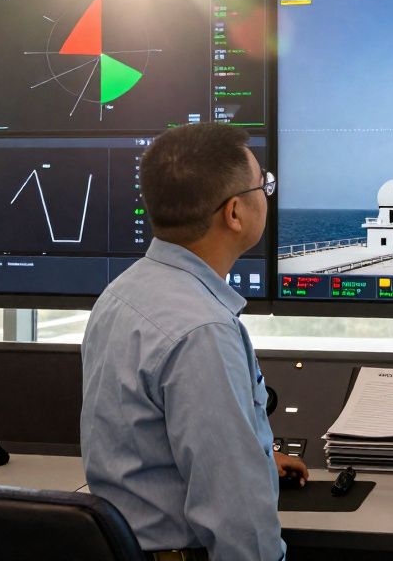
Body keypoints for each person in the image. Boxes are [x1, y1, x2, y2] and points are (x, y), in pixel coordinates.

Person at [80, 123, 306, 561]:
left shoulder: (120, 295)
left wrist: (254, 459)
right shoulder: (202, 331)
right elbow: (238, 520)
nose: (267, 194)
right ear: (235, 213)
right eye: (263, 184)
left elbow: (142, 437)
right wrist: (239, 472)